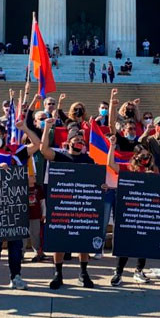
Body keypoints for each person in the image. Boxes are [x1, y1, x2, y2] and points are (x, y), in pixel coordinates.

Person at [0, 121, 41, 292]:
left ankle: (16, 277)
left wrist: (25, 129)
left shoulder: (17, 152)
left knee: (16, 245)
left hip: (16, 205)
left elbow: (37, 145)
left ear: (5, 134)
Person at [39, 118, 97, 289]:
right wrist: (47, 128)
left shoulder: (88, 160)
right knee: (60, 240)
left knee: (83, 239)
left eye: (81, 140)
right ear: (68, 142)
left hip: (81, 206)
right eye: (76, 139)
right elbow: (43, 150)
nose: (79, 141)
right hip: (61, 206)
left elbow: (93, 180)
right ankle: (58, 273)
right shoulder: (60, 156)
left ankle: (84, 273)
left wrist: (101, 185)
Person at [107, 136, 159, 285]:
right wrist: (112, 146)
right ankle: (119, 272)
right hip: (128, 213)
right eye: (143, 155)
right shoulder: (128, 168)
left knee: (143, 242)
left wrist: (152, 179)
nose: (146, 158)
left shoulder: (153, 170)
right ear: (135, 156)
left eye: (148, 155)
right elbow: (111, 164)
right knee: (126, 242)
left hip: (145, 212)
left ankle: (139, 271)